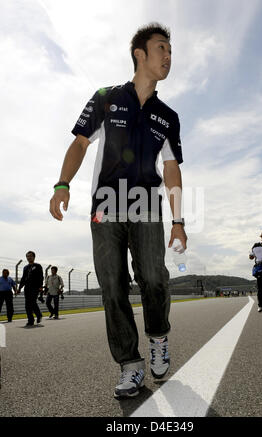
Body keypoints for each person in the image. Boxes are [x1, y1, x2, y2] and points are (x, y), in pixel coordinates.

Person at [49, 23, 187, 399]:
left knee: (154, 279)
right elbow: (79, 144)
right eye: (162, 48)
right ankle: (130, 364)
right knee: (112, 286)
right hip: (105, 207)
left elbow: (171, 169)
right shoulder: (106, 97)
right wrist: (63, 183)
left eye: (171, 51)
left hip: (147, 207)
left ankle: (158, 337)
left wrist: (178, 221)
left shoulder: (168, 116)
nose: (168, 57)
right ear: (140, 54)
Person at [18, 251, 44, 327]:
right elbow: (23, 278)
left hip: (35, 287)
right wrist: (19, 288)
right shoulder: (25, 267)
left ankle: (38, 315)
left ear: (34, 257)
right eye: (27, 256)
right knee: (27, 305)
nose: (29, 257)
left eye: (30, 256)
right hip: (27, 288)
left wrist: (40, 286)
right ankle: (31, 320)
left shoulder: (38, 266)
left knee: (32, 302)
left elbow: (41, 277)